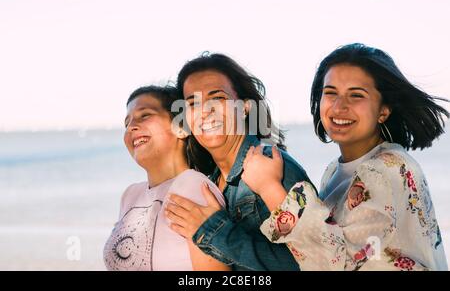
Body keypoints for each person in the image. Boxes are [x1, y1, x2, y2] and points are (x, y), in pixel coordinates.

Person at [241, 43, 449, 270]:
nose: (339, 106)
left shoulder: (385, 169)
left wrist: (269, 187)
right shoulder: (335, 170)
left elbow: (340, 263)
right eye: (331, 93)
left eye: (356, 95)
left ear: (383, 110)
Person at [165, 53, 313, 270]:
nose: (206, 112)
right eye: (193, 104)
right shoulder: (211, 183)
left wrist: (215, 230)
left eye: (218, 98)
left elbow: (307, 262)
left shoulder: (272, 167)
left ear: (245, 107)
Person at [103, 85, 229, 271]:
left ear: (181, 128)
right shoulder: (130, 195)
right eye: (127, 123)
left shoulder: (193, 186)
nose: (131, 127)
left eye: (144, 115)